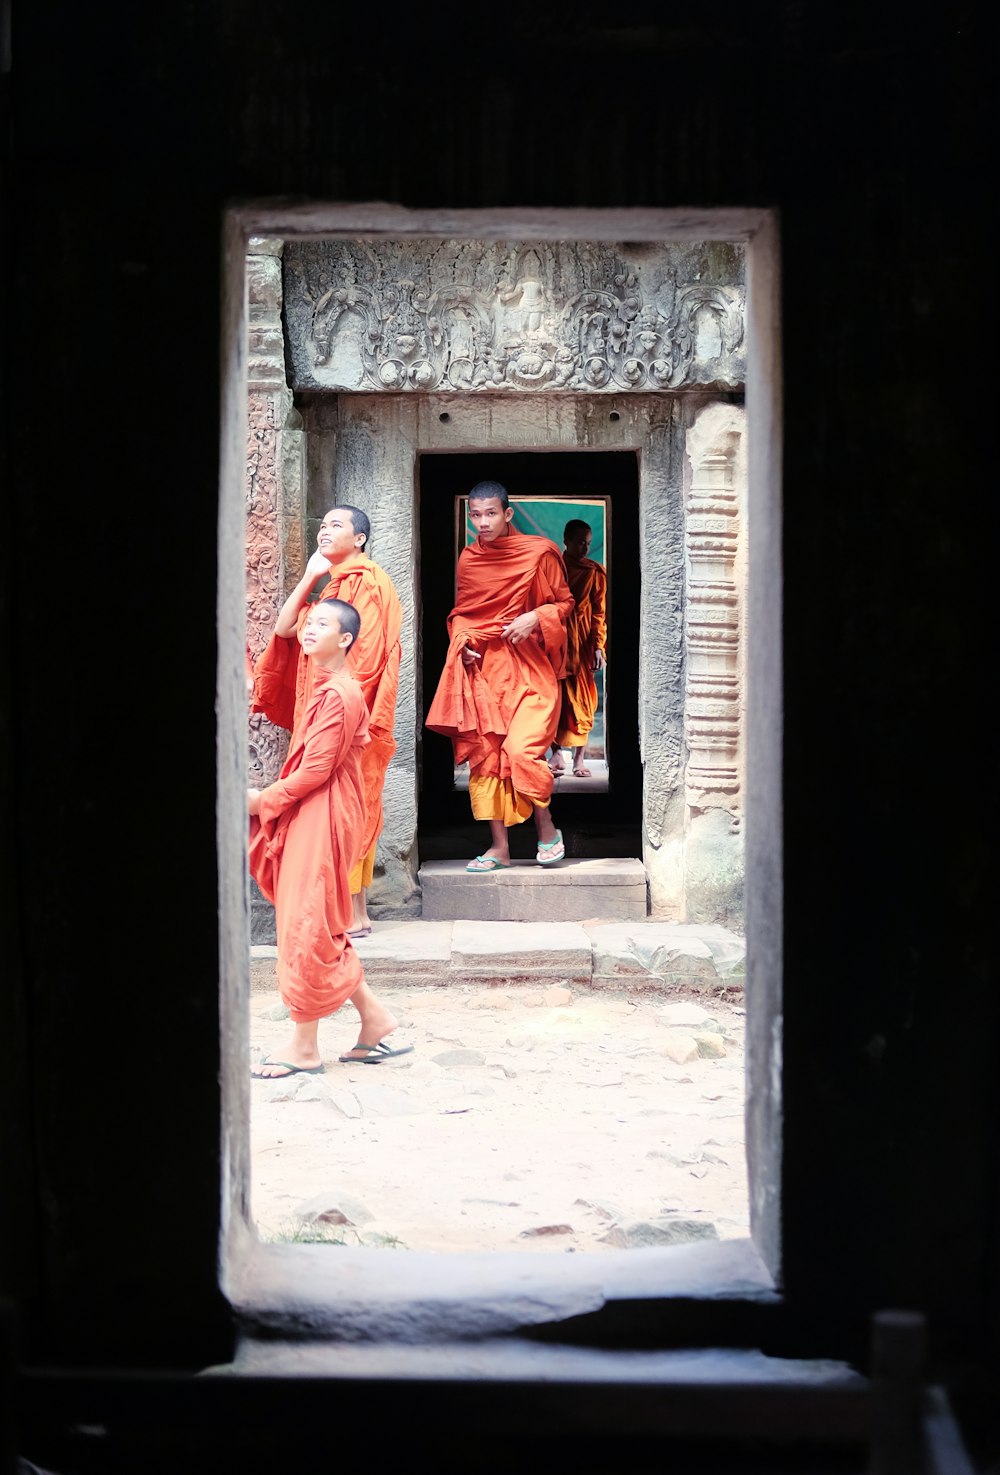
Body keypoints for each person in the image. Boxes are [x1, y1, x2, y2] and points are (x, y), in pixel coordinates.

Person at [248, 598, 412, 1076]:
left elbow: (317, 769)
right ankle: (375, 1019)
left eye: (323, 623)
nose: (309, 628)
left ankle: (304, 1046)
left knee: (307, 923)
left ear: (345, 639)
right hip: (314, 810)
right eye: (308, 622)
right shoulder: (328, 687)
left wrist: (260, 802)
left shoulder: (341, 694)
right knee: (318, 920)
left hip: (322, 812)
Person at [251, 505, 402, 937]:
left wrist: (339, 710)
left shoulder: (370, 583)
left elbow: (367, 659)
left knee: (349, 803)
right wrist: (308, 579)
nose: (324, 531)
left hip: (348, 716)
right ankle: (343, 912)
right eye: (322, 525)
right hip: (317, 710)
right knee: (328, 805)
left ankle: (356, 912)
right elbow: (284, 632)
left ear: (359, 539)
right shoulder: (329, 589)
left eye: (336, 525)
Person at [426, 479, 574, 871]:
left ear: (508, 514)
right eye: (475, 515)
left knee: (521, 751)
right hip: (486, 671)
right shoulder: (469, 559)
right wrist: (464, 643)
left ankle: (547, 828)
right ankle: (500, 848)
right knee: (487, 756)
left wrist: (535, 617)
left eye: (491, 514)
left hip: (530, 669)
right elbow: (462, 615)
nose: (483, 523)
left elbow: (565, 603)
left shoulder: (539, 553)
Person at [547, 519, 608, 778]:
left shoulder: (595, 572)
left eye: (588, 543)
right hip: (554, 640)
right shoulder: (553, 569)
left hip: (582, 643)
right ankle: (556, 754)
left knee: (583, 701)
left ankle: (579, 760)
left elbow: (599, 613)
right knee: (553, 700)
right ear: (566, 540)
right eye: (580, 542)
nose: (584, 548)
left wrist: (598, 647)